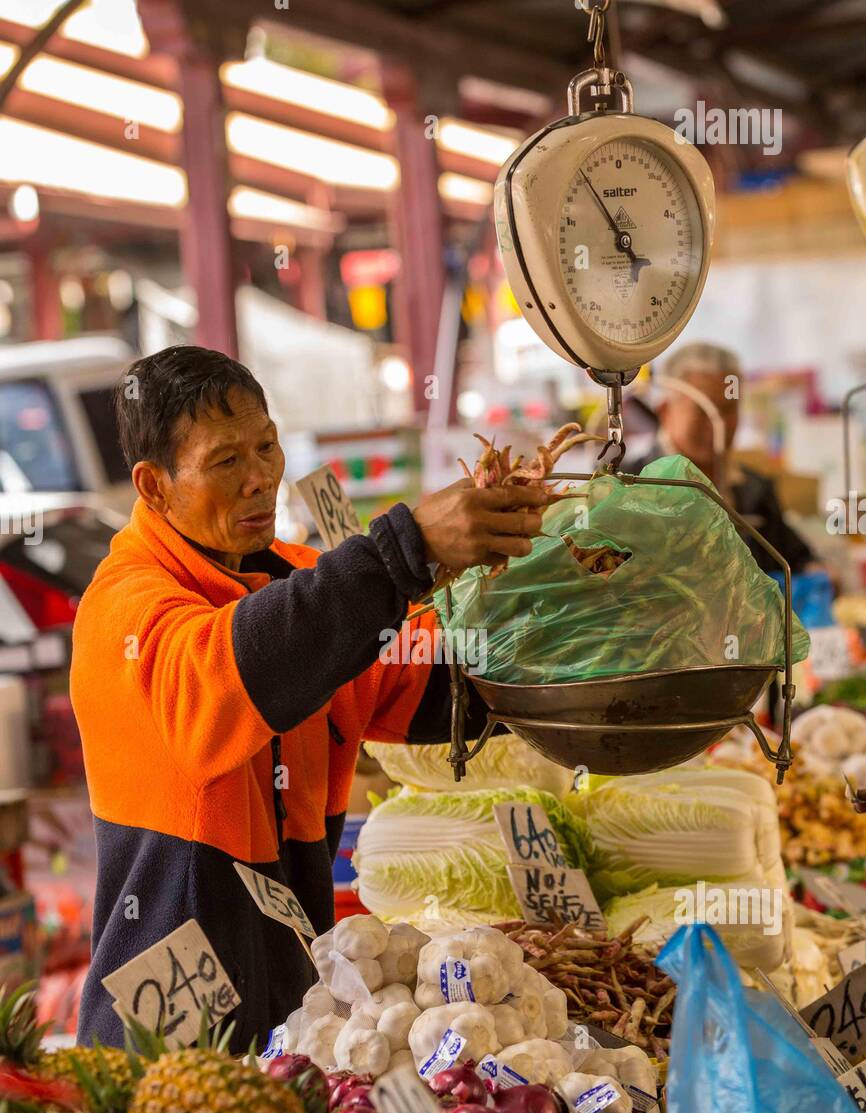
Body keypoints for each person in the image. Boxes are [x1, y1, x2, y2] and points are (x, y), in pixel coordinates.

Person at [71, 346, 547, 1050]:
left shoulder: (296, 583)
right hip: (166, 1040)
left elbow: (433, 683)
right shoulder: (127, 606)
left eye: (267, 447)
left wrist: (570, 631)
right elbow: (235, 672)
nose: (261, 479)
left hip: (296, 1017)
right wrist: (403, 551)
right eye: (226, 462)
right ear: (153, 485)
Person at [620, 341, 816, 575]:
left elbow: (796, 558)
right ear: (664, 410)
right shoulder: (627, 485)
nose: (718, 423)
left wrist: (819, 574)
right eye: (704, 410)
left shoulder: (754, 489)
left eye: (728, 409)